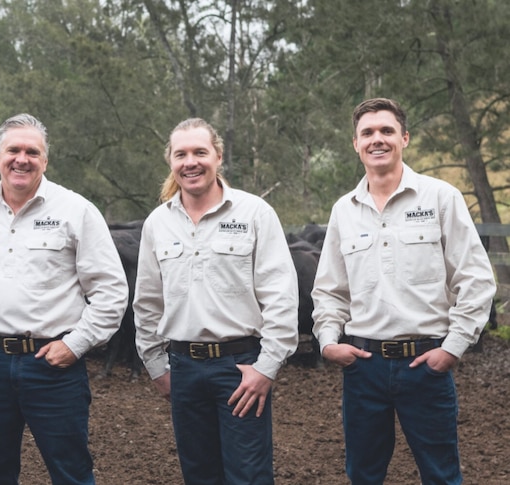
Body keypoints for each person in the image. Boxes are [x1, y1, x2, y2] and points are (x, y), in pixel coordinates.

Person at [0, 113, 129, 484]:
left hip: (53, 363)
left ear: (45, 161)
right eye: (13, 150)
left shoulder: (76, 211)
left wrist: (76, 344)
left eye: (32, 152)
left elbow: (111, 291)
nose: (22, 159)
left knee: (71, 471)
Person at [311, 98, 496, 484]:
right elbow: (330, 289)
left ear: (404, 138)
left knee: (441, 475)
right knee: (363, 474)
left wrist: (453, 347)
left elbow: (476, 278)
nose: (377, 139)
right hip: (363, 366)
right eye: (368, 133)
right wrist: (328, 342)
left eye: (387, 131)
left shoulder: (441, 198)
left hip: (425, 364)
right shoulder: (343, 210)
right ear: (355, 143)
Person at [132, 118, 300, 484]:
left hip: (240, 368)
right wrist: (157, 366)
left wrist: (266, 367)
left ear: (218, 156)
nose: (190, 162)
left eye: (200, 152)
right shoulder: (157, 223)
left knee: (248, 475)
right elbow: (146, 302)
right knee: (199, 474)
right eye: (181, 154)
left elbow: (281, 295)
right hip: (183, 368)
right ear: (171, 162)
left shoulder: (254, 213)